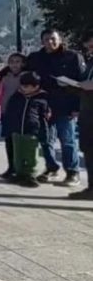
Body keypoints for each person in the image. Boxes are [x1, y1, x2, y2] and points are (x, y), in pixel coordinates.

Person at [26, 28, 85, 186]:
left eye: (53, 38)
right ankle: (51, 168)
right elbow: (23, 71)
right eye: (46, 39)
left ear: (60, 39)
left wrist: (77, 107)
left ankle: (73, 172)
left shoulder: (72, 57)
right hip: (44, 106)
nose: (49, 42)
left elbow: (81, 82)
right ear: (41, 41)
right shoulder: (36, 58)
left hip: (66, 105)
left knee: (67, 140)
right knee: (46, 140)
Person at [1, 71, 50, 188]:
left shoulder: (42, 98)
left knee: (30, 154)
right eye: (22, 85)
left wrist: (44, 133)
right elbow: (9, 112)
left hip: (32, 131)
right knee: (18, 153)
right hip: (17, 131)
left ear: (36, 87)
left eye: (27, 86)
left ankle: (30, 174)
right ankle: (19, 173)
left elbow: (45, 117)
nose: (23, 88)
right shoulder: (17, 96)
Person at [0, 53, 26, 180]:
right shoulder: (5, 78)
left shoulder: (26, 77)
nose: (15, 64)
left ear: (23, 64)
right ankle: (11, 167)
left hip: (21, 114)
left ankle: (22, 168)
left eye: (18, 61)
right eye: (12, 62)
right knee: (9, 141)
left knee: (20, 142)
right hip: (6, 113)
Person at [69, 33, 93, 199]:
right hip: (87, 112)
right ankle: (91, 189)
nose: (90, 49)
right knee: (88, 149)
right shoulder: (90, 62)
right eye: (89, 46)